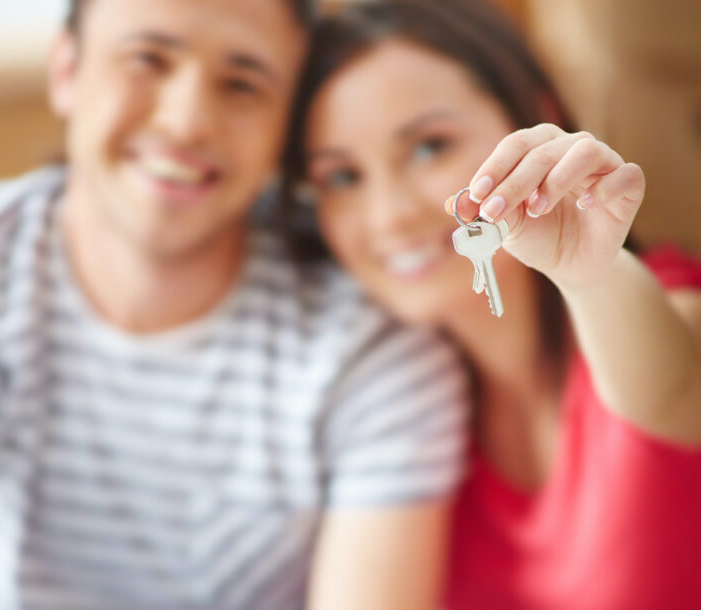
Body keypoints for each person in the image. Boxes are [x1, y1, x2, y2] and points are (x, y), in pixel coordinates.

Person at [0, 1, 470, 608]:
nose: (188, 121)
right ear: (66, 71)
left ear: (285, 130)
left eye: (243, 84)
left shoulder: (365, 344)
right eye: (147, 60)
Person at [284, 0, 701, 608]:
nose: (390, 214)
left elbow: (676, 383)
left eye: (429, 147)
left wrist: (590, 274)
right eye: (342, 178)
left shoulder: (658, 306)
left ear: (536, 115)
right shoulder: (396, 411)